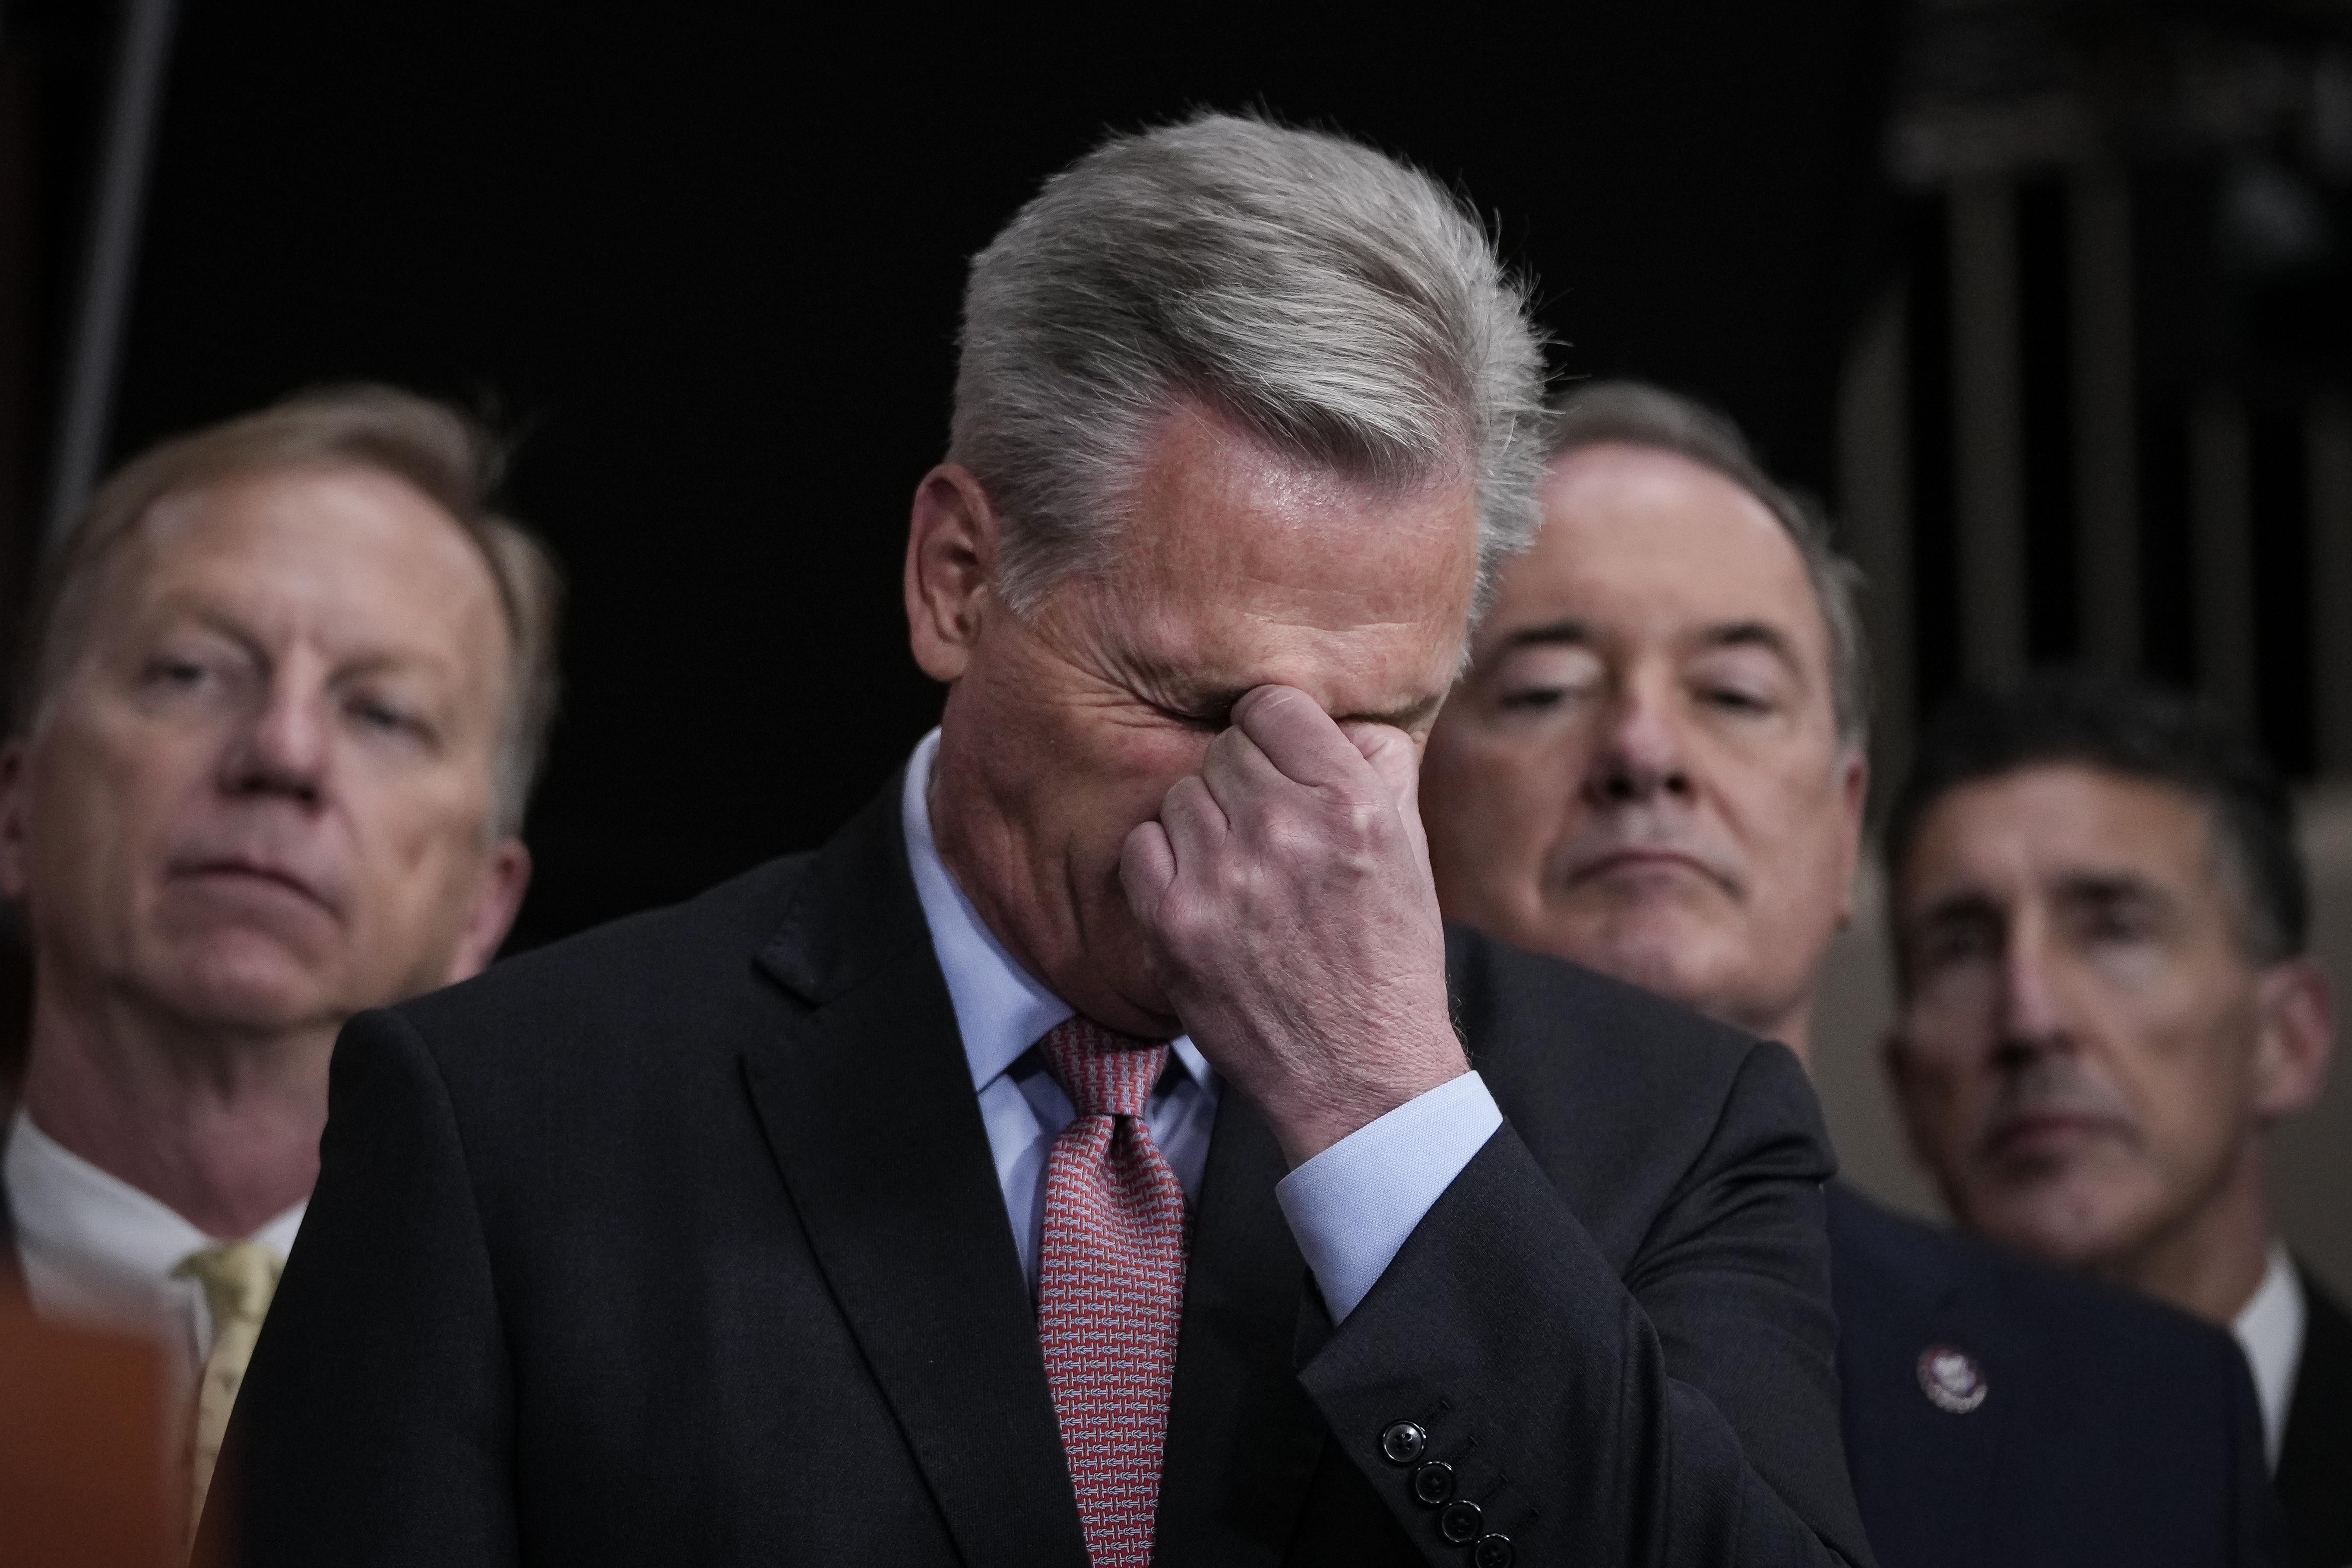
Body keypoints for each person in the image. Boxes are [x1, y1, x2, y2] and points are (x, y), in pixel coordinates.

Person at [220, 116, 1871, 1567]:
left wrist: (1380, 1116)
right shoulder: (507, 1129)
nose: (1277, 805)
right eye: (1188, 694)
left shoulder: (1669, 1134)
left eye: (1374, 725)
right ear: (955, 578)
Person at [1420, 381, 2282, 1568]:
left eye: (1732, 693)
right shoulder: (1216, 1304)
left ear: (1844, 826)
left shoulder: (2153, 1413)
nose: (1644, 752)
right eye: (1545, 692)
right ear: (1400, 795)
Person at [0, 386, 559, 1539]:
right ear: (17, 810)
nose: (284, 752)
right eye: (192, 672)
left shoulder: (584, 1400)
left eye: (385, 714)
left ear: (484, 908)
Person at [1882, 671, 2347, 1568]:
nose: (2032, 1019)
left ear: (2287, 1040)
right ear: (1906, 1089)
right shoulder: (1822, 1500)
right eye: (1963, 946)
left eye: (2115, 929)